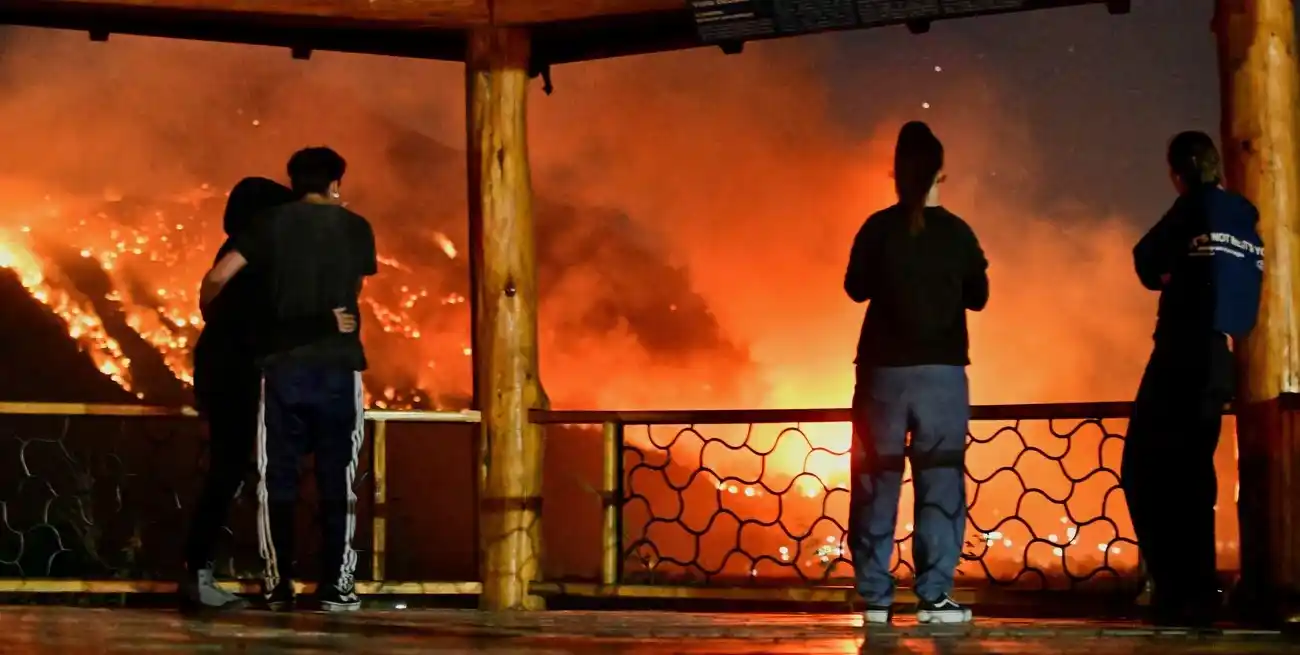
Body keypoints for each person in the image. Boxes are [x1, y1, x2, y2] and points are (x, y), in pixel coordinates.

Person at [200, 147, 378, 612]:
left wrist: (215, 313)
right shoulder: (357, 227)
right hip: (339, 366)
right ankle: (338, 587)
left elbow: (218, 277)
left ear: (294, 180)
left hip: (280, 368)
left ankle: (279, 584)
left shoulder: (268, 225)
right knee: (338, 477)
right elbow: (356, 282)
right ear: (336, 181)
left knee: (276, 476)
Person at [843, 121, 988, 625]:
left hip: (882, 374)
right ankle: (934, 597)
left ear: (895, 173)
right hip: (943, 376)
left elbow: (855, 289)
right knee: (941, 480)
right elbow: (980, 297)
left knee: (875, 481)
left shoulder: (876, 228)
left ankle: (876, 599)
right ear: (940, 173)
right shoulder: (958, 233)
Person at [1122, 131, 1263, 626]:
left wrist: (1172, 275)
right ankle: (1200, 590)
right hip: (1220, 356)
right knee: (1195, 476)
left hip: (1181, 351)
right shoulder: (1243, 217)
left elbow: (1144, 259)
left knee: (1141, 468)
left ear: (1179, 173)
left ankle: (1173, 586)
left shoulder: (1192, 207)